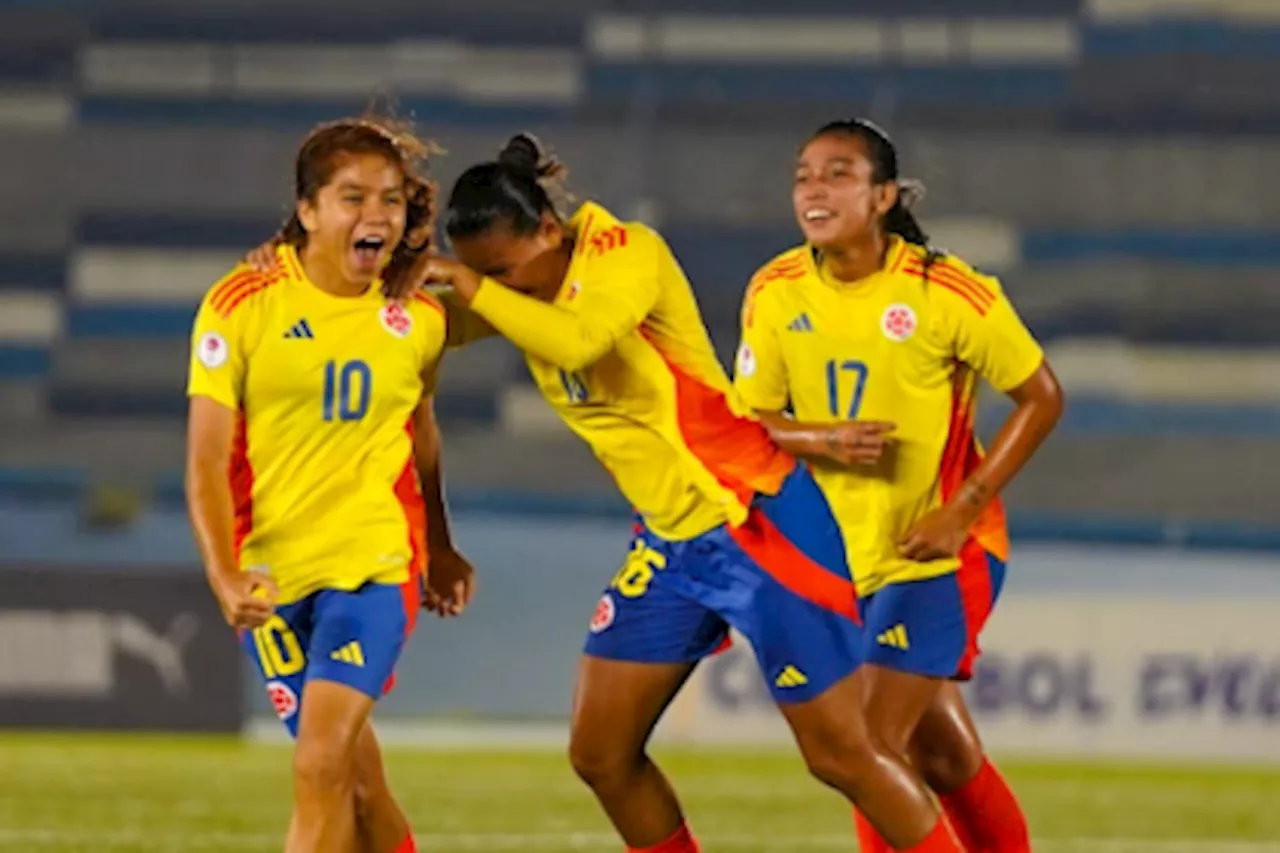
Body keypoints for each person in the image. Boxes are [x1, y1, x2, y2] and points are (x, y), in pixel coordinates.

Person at [413, 133, 964, 853]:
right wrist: (337, 279)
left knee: (842, 754)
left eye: (507, 272)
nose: (501, 289)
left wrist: (467, 282)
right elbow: (435, 326)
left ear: (549, 231)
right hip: (670, 542)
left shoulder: (626, 253)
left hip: (754, 517)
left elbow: (577, 340)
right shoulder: (523, 282)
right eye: (491, 277)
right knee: (601, 753)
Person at [734, 117, 1064, 853]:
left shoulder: (946, 291)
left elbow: (1042, 395)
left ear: (883, 195)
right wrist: (819, 438)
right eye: (803, 175)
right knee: (941, 755)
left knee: (867, 748)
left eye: (838, 173)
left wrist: (960, 510)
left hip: (942, 552)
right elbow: (748, 421)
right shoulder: (776, 289)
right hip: (838, 560)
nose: (814, 189)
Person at [185, 115, 477, 853]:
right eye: (353, 198)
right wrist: (223, 571)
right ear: (308, 210)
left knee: (318, 762)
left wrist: (439, 545)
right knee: (356, 782)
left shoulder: (419, 316)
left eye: (391, 200)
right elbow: (207, 459)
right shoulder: (242, 303)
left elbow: (423, 432)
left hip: (374, 565)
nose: (377, 215)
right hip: (274, 578)